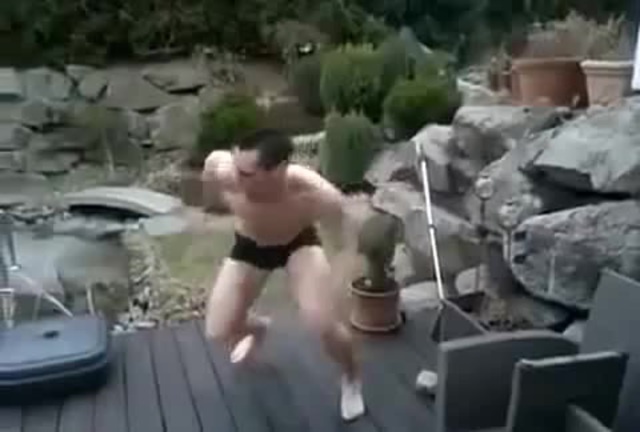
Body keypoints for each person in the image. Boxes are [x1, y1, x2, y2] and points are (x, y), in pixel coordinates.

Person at [200, 128, 366, 421]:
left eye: (246, 173)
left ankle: (351, 377)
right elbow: (211, 173)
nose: (236, 177)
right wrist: (214, 198)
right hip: (250, 247)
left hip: (297, 244)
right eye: (235, 166)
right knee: (218, 330)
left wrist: (340, 276)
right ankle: (257, 329)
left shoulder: (314, 193)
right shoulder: (224, 170)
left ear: (277, 170)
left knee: (322, 323)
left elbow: (345, 234)